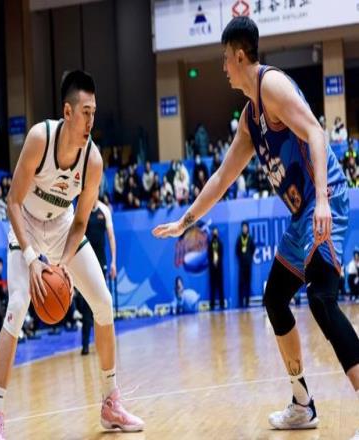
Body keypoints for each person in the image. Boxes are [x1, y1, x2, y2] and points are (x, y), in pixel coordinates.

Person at [153, 17, 359, 439]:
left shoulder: (273, 86)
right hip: (303, 217)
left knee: (321, 299)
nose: (223, 67)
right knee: (274, 298)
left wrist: (322, 199)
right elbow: (220, 179)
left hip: (327, 201)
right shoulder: (250, 118)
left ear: (239, 55)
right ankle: (302, 402)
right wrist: (184, 222)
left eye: (225, 59)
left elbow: (316, 133)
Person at [0, 71, 143, 439]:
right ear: (68, 112)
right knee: (17, 306)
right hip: (26, 225)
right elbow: (12, 202)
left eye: (94, 113)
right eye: (86, 113)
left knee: (103, 303)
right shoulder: (40, 138)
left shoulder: (93, 161)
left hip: (62, 228)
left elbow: (81, 221)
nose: (91, 121)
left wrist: (63, 263)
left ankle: (110, 402)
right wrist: (31, 259)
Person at [79, 197, 117, 355]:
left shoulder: (104, 210)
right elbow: (77, 234)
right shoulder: (83, 208)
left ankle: (101, 343)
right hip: (85, 262)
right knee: (86, 305)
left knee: (101, 302)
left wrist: (113, 262)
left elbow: (111, 237)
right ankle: (85, 344)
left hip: (101, 262)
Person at [235, 222, 255, 308]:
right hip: (241, 265)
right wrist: (241, 258)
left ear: (248, 228)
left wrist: (249, 257)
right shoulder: (239, 238)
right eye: (243, 227)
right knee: (241, 283)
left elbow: (253, 248)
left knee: (248, 283)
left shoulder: (250, 238)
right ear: (241, 228)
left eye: (246, 227)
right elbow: (237, 250)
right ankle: (240, 302)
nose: (244, 229)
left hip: (248, 264)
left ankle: (247, 302)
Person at [207, 227, 224, 310]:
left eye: (216, 232)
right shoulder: (210, 244)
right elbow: (209, 255)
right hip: (212, 268)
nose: (215, 233)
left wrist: (217, 261)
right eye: (214, 232)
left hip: (219, 267)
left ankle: (222, 303)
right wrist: (212, 262)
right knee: (212, 286)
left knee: (220, 286)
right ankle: (212, 304)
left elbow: (221, 254)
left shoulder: (220, 243)